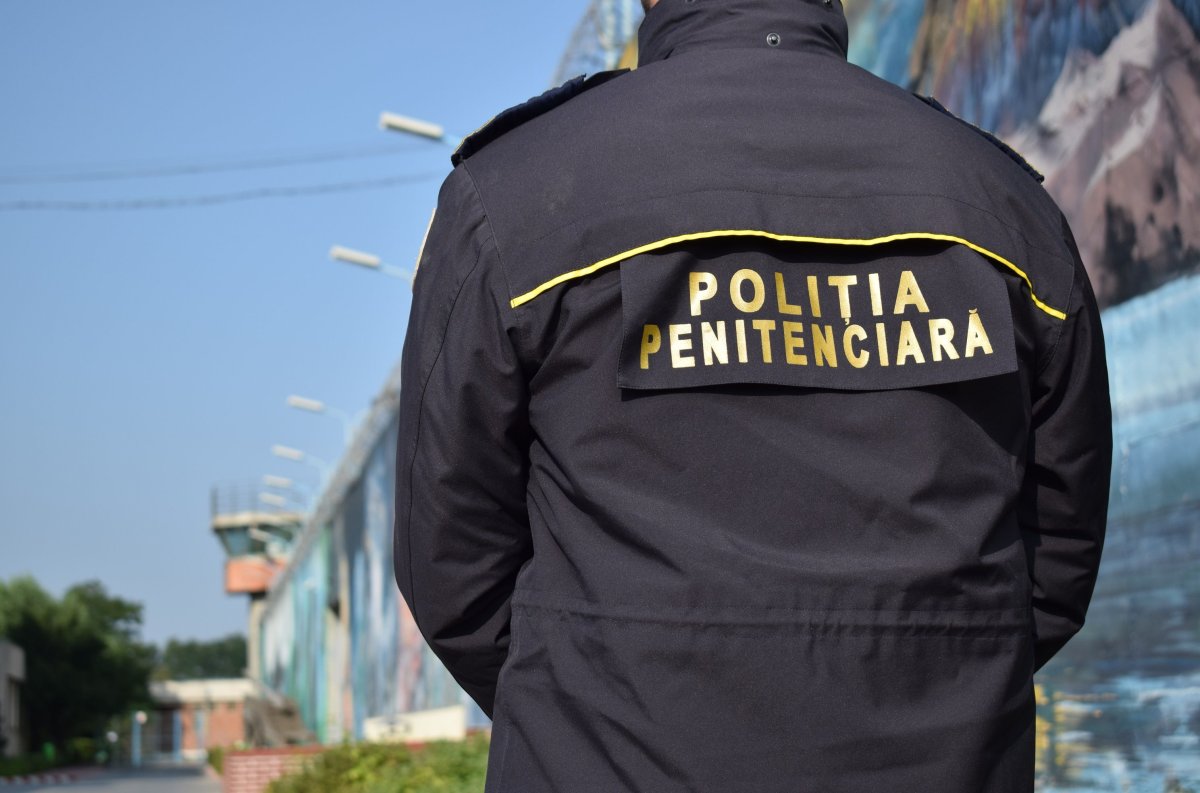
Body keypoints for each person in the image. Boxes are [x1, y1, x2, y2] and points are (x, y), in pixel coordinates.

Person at [392, 0, 1113, 790]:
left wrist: (596, 699)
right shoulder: (1003, 202)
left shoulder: (517, 191)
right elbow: (1055, 553)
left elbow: (451, 566)